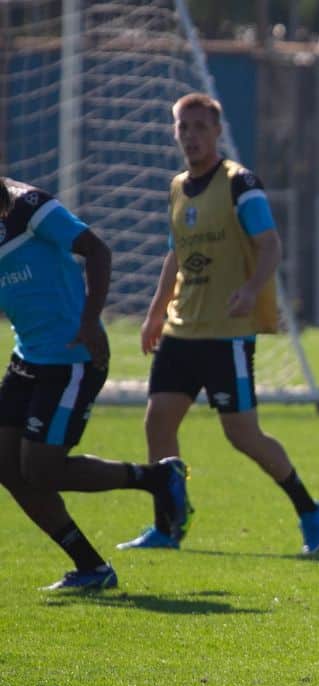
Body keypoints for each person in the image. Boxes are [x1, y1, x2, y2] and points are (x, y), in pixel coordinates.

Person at [116, 92, 319, 554]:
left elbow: (270, 245)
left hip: (226, 335)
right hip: (181, 328)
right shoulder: (176, 187)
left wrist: (251, 291)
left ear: (216, 132)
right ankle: (167, 525)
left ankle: (309, 509)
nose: (190, 136)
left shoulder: (239, 184)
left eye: (199, 127)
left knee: (242, 435)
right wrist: (155, 312)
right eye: (183, 127)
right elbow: (175, 255)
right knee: (158, 423)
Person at [0, 176, 189, 590]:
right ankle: (91, 567)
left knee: (39, 469)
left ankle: (157, 479)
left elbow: (97, 249)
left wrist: (89, 322)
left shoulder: (30, 205)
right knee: (7, 465)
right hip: (26, 358)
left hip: (72, 358)